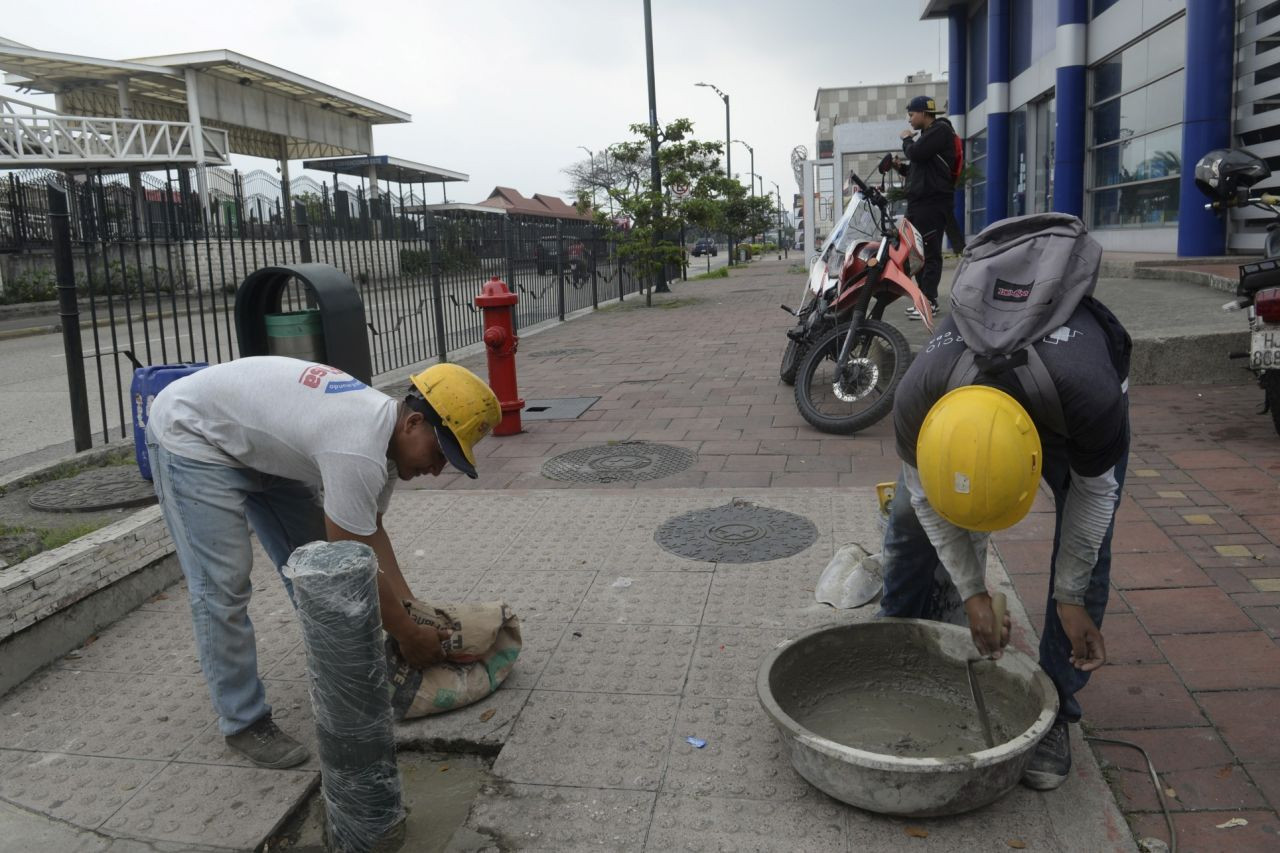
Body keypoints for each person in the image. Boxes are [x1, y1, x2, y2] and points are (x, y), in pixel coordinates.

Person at [145, 357, 500, 768]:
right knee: (222, 586)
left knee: (318, 567)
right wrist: (405, 633)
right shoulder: (358, 448)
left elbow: (372, 536)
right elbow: (351, 556)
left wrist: (412, 611)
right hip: (193, 434)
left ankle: (340, 677)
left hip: (259, 446)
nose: (437, 471)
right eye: (439, 454)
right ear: (413, 423)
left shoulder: (385, 445)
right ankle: (243, 721)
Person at [879, 214, 1130, 791]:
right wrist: (974, 590)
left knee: (1089, 553)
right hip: (973, 390)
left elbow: (1093, 501)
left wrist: (1069, 597)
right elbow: (924, 502)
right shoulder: (919, 399)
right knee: (907, 523)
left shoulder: (1092, 401)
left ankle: (1057, 708)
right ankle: (893, 641)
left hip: (1068, 403)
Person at [893, 94, 959, 320]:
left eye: (911, 115)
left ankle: (929, 301)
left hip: (932, 204)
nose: (909, 120)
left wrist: (906, 139)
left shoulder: (940, 131)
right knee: (918, 254)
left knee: (929, 253)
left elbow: (916, 153)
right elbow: (918, 167)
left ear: (923, 113)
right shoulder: (929, 136)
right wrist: (901, 168)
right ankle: (922, 298)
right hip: (920, 204)